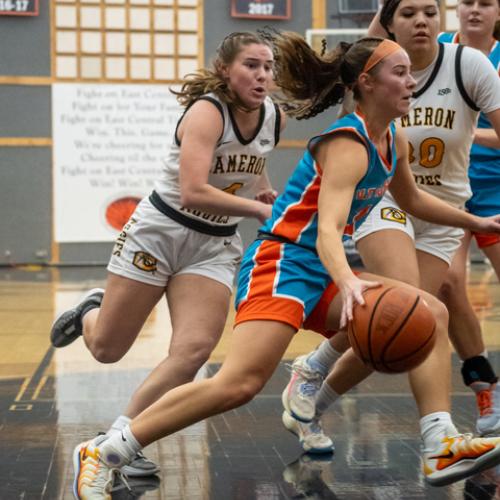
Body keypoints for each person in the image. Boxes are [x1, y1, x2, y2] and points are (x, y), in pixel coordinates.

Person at [69, 31, 500, 499]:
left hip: (318, 267)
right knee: (239, 384)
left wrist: (476, 218)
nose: (412, 81)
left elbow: (414, 199)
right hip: (284, 261)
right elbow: (330, 231)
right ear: (368, 83)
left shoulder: (393, 137)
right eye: (400, 73)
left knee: (428, 311)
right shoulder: (347, 143)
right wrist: (348, 280)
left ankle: (439, 442)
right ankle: (108, 450)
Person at [50, 31, 284, 478]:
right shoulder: (206, 112)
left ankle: (118, 440)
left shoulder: (274, 116)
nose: (262, 75)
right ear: (226, 71)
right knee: (106, 349)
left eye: (268, 67)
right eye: (251, 65)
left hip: (214, 244)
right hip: (161, 231)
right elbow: (194, 191)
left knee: (194, 350)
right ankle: (88, 314)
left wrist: (261, 186)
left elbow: (252, 157)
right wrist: (260, 207)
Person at [281, 0, 500, 475]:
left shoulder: (470, 65)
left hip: (442, 208)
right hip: (387, 200)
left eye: (430, 12)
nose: (422, 21)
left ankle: (313, 395)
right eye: (409, 14)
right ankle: (438, 442)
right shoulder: (375, 73)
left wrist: (474, 222)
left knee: (397, 331)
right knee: (419, 310)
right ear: (390, 25)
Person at [437, 0, 500, 437]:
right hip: (447, 190)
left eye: (486, 3)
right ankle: (484, 386)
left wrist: (464, 128)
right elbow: (375, 43)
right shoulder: (436, 48)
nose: (475, 10)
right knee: (447, 284)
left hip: (495, 191)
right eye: (469, 2)